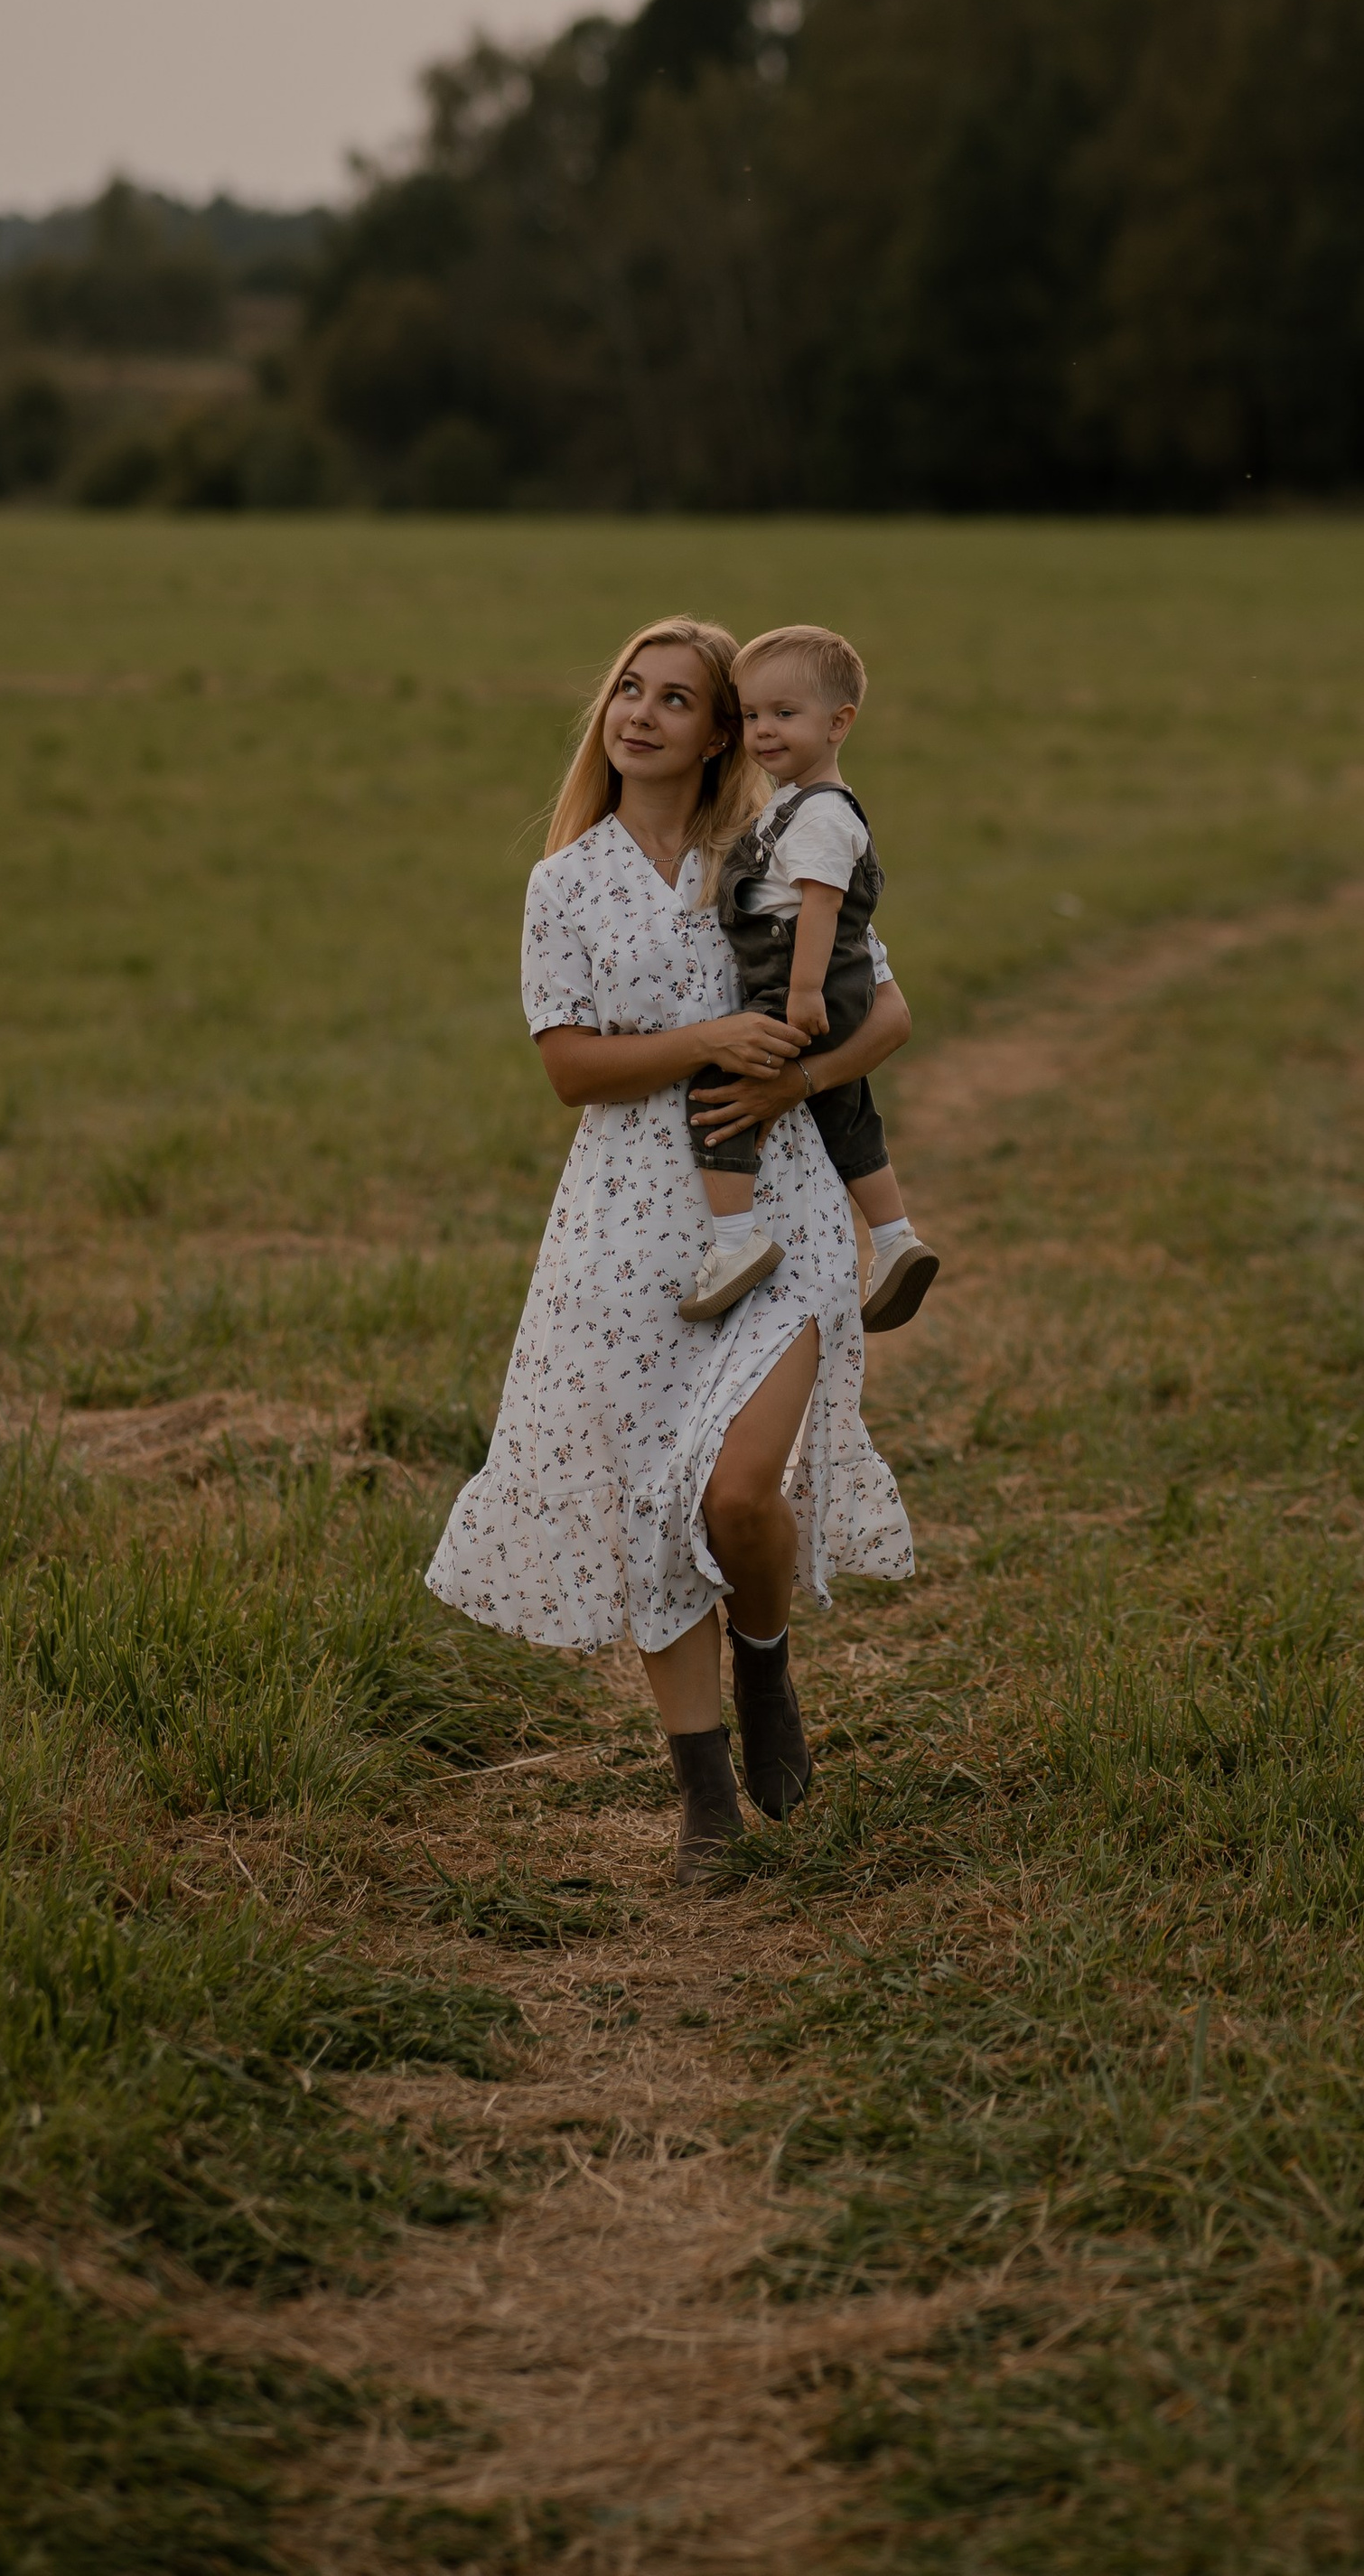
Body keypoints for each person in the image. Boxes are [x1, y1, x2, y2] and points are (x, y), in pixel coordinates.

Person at [425, 617, 915, 1884]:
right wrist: (710, 1043)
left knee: (739, 1490)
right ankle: (704, 1801)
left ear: (719, 732)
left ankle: (764, 1661)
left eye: (677, 699)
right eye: (627, 691)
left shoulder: (774, 850)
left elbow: (889, 1014)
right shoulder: (565, 883)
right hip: (622, 1235)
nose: (639, 714)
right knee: (650, 1503)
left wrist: (784, 1082)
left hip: (778, 1207)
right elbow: (571, 1069)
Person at [678, 624, 939, 1335]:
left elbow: (819, 908)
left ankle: (735, 1244)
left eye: (784, 715)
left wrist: (798, 994)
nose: (763, 731)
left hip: (801, 981)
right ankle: (893, 1240)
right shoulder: (800, 802)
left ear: (838, 723)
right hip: (829, 983)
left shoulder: (821, 815)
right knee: (845, 1110)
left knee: (717, 1090)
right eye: (753, 715)